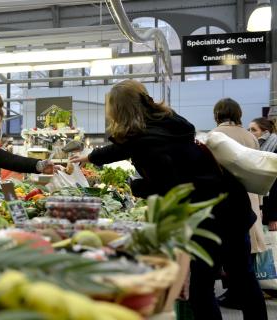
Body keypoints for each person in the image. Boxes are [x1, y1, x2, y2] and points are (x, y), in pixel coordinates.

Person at [70, 80, 267, 320]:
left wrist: (134, 186)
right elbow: (123, 148)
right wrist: (89, 156)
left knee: (201, 288)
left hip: (208, 215)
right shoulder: (167, 123)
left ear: (118, 110)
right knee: (243, 278)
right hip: (231, 204)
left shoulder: (148, 143)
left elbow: (170, 186)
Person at [210, 98, 266, 309]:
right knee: (244, 259)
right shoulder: (250, 137)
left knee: (222, 257)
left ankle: (232, 293)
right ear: (238, 114)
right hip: (248, 198)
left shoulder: (214, 136)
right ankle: (241, 297)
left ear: (217, 114)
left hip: (222, 203)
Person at [249, 117, 277, 231]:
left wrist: (274, 217)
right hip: (262, 208)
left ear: (265, 133)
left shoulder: (274, 149)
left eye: (253, 130)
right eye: (249, 129)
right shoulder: (258, 149)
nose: (250, 133)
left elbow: (276, 186)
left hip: (272, 214)